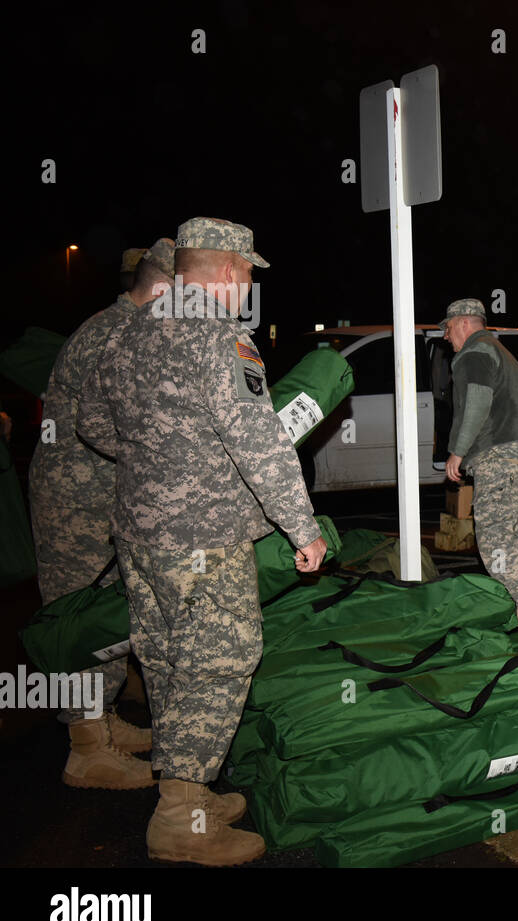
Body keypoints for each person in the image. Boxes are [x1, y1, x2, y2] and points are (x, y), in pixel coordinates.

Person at [78, 217, 326, 866]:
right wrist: (302, 526)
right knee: (221, 656)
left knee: (164, 661)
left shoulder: (131, 329)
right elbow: (260, 443)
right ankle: (181, 820)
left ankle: (187, 793)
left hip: (137, 534)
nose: (250, 286)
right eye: (249, 274)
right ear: (226, 272)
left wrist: (154, 459)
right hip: (202, 540)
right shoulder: (221, 338)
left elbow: (92, 420)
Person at [30, 238, 175, 791]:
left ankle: (104, 721)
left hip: (105, 494)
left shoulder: (126, 328)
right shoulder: (112, 335)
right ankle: (86, 748)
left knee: (109, 611)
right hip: (77, 502)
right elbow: (122, 427)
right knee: (76, 614)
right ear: (162, 288)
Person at [441, 298, 518, 628]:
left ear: (464, 323)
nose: (446, 336)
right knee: (512, 537)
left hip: (496, 456)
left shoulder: (473, 353)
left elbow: (477, 402)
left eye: (448, 328)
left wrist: (458, 450)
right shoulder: (505, 354)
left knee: (495, 540)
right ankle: (514, 610)